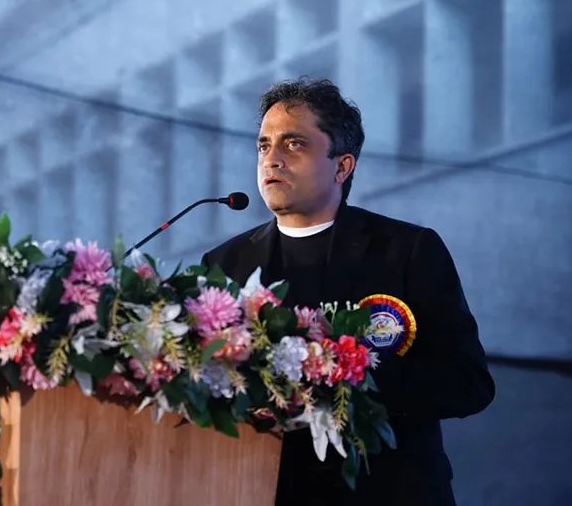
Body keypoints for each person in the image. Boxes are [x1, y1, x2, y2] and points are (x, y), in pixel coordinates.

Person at [200, 77, 495, 505]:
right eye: (264, 146)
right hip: (265, 489)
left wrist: (346, 372)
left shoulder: (407, 250)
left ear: (342, 167)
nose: (272, 159)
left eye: (294, 144)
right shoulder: (224, 264)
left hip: (388, 492)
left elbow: (468, 384)